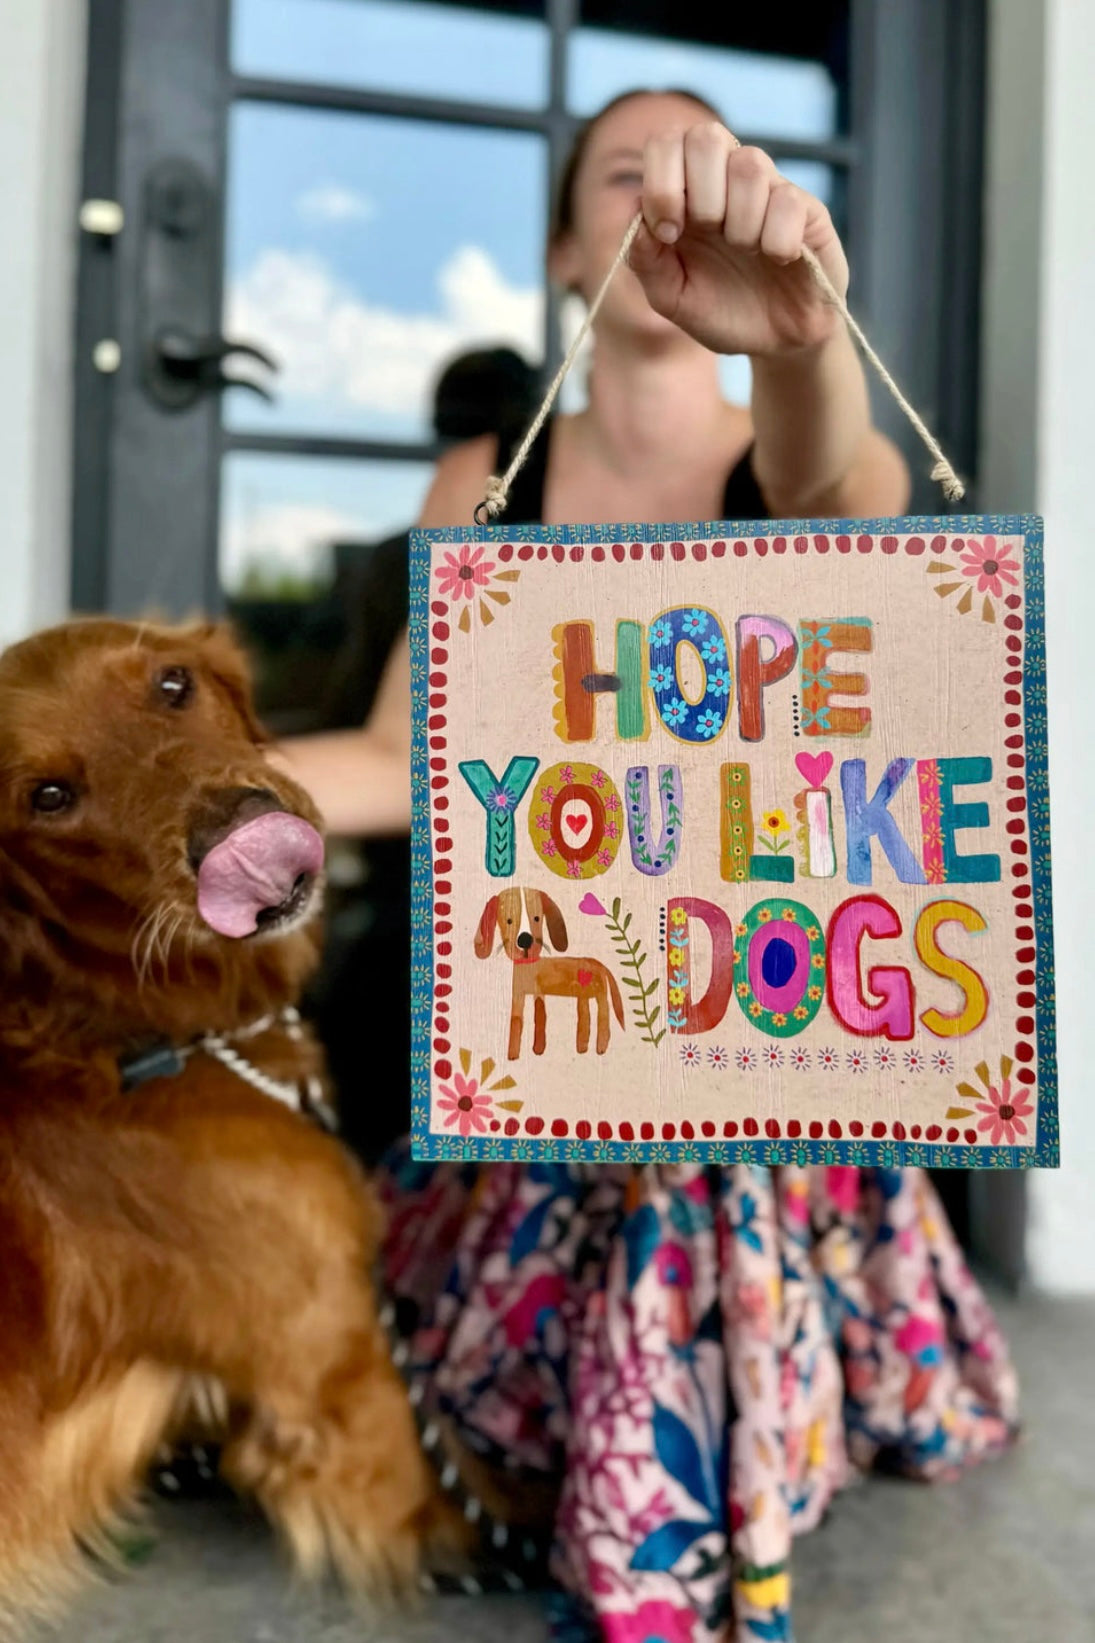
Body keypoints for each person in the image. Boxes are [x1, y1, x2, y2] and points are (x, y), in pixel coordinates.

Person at [280, 91, 1016, 1643]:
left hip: (758, 1039)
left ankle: (651, 1522)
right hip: (565, 1033)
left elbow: (848, 491)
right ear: (563, 249)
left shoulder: (785, 455)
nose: (670, 194)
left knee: (695, 1138)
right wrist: (179, 802)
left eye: (706, 168)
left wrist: (803, 339)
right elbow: (411, 754)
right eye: (626, 171)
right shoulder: (492, 472)